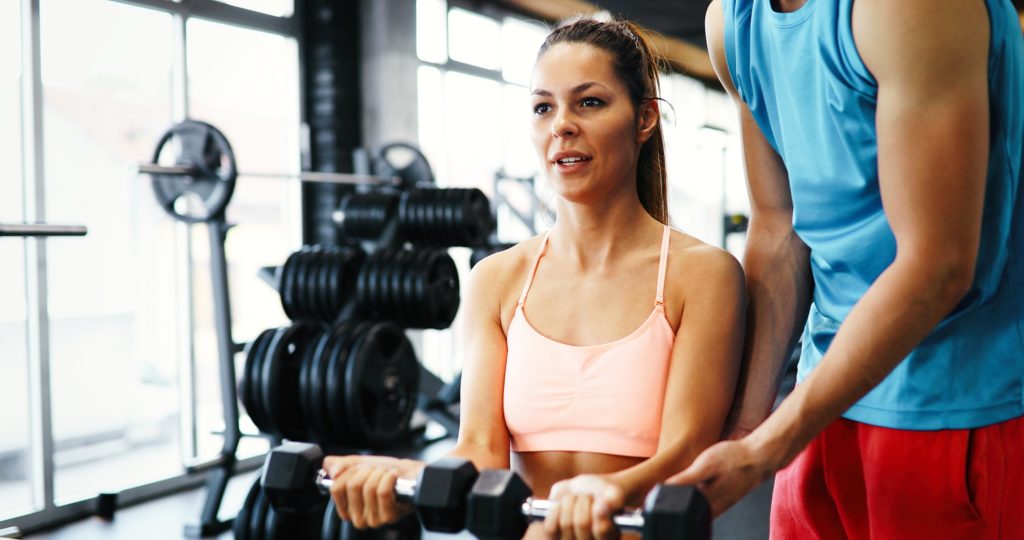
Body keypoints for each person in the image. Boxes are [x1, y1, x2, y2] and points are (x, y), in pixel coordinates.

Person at [320, 17, 746, 539]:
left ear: (645, 119)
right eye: (543, 107)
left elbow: (688, 451)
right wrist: (407, 475)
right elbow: (480, 449)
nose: (561, 124)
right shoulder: (495, 280)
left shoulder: (702, 274)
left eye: (589, 102)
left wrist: (612, 494)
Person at [643, 0, 1022, 538]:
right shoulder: (732, 23)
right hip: (821, 402)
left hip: (952, 405)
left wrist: (769, 444)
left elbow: (937, 265)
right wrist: (745, 432)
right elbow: (777, 228)